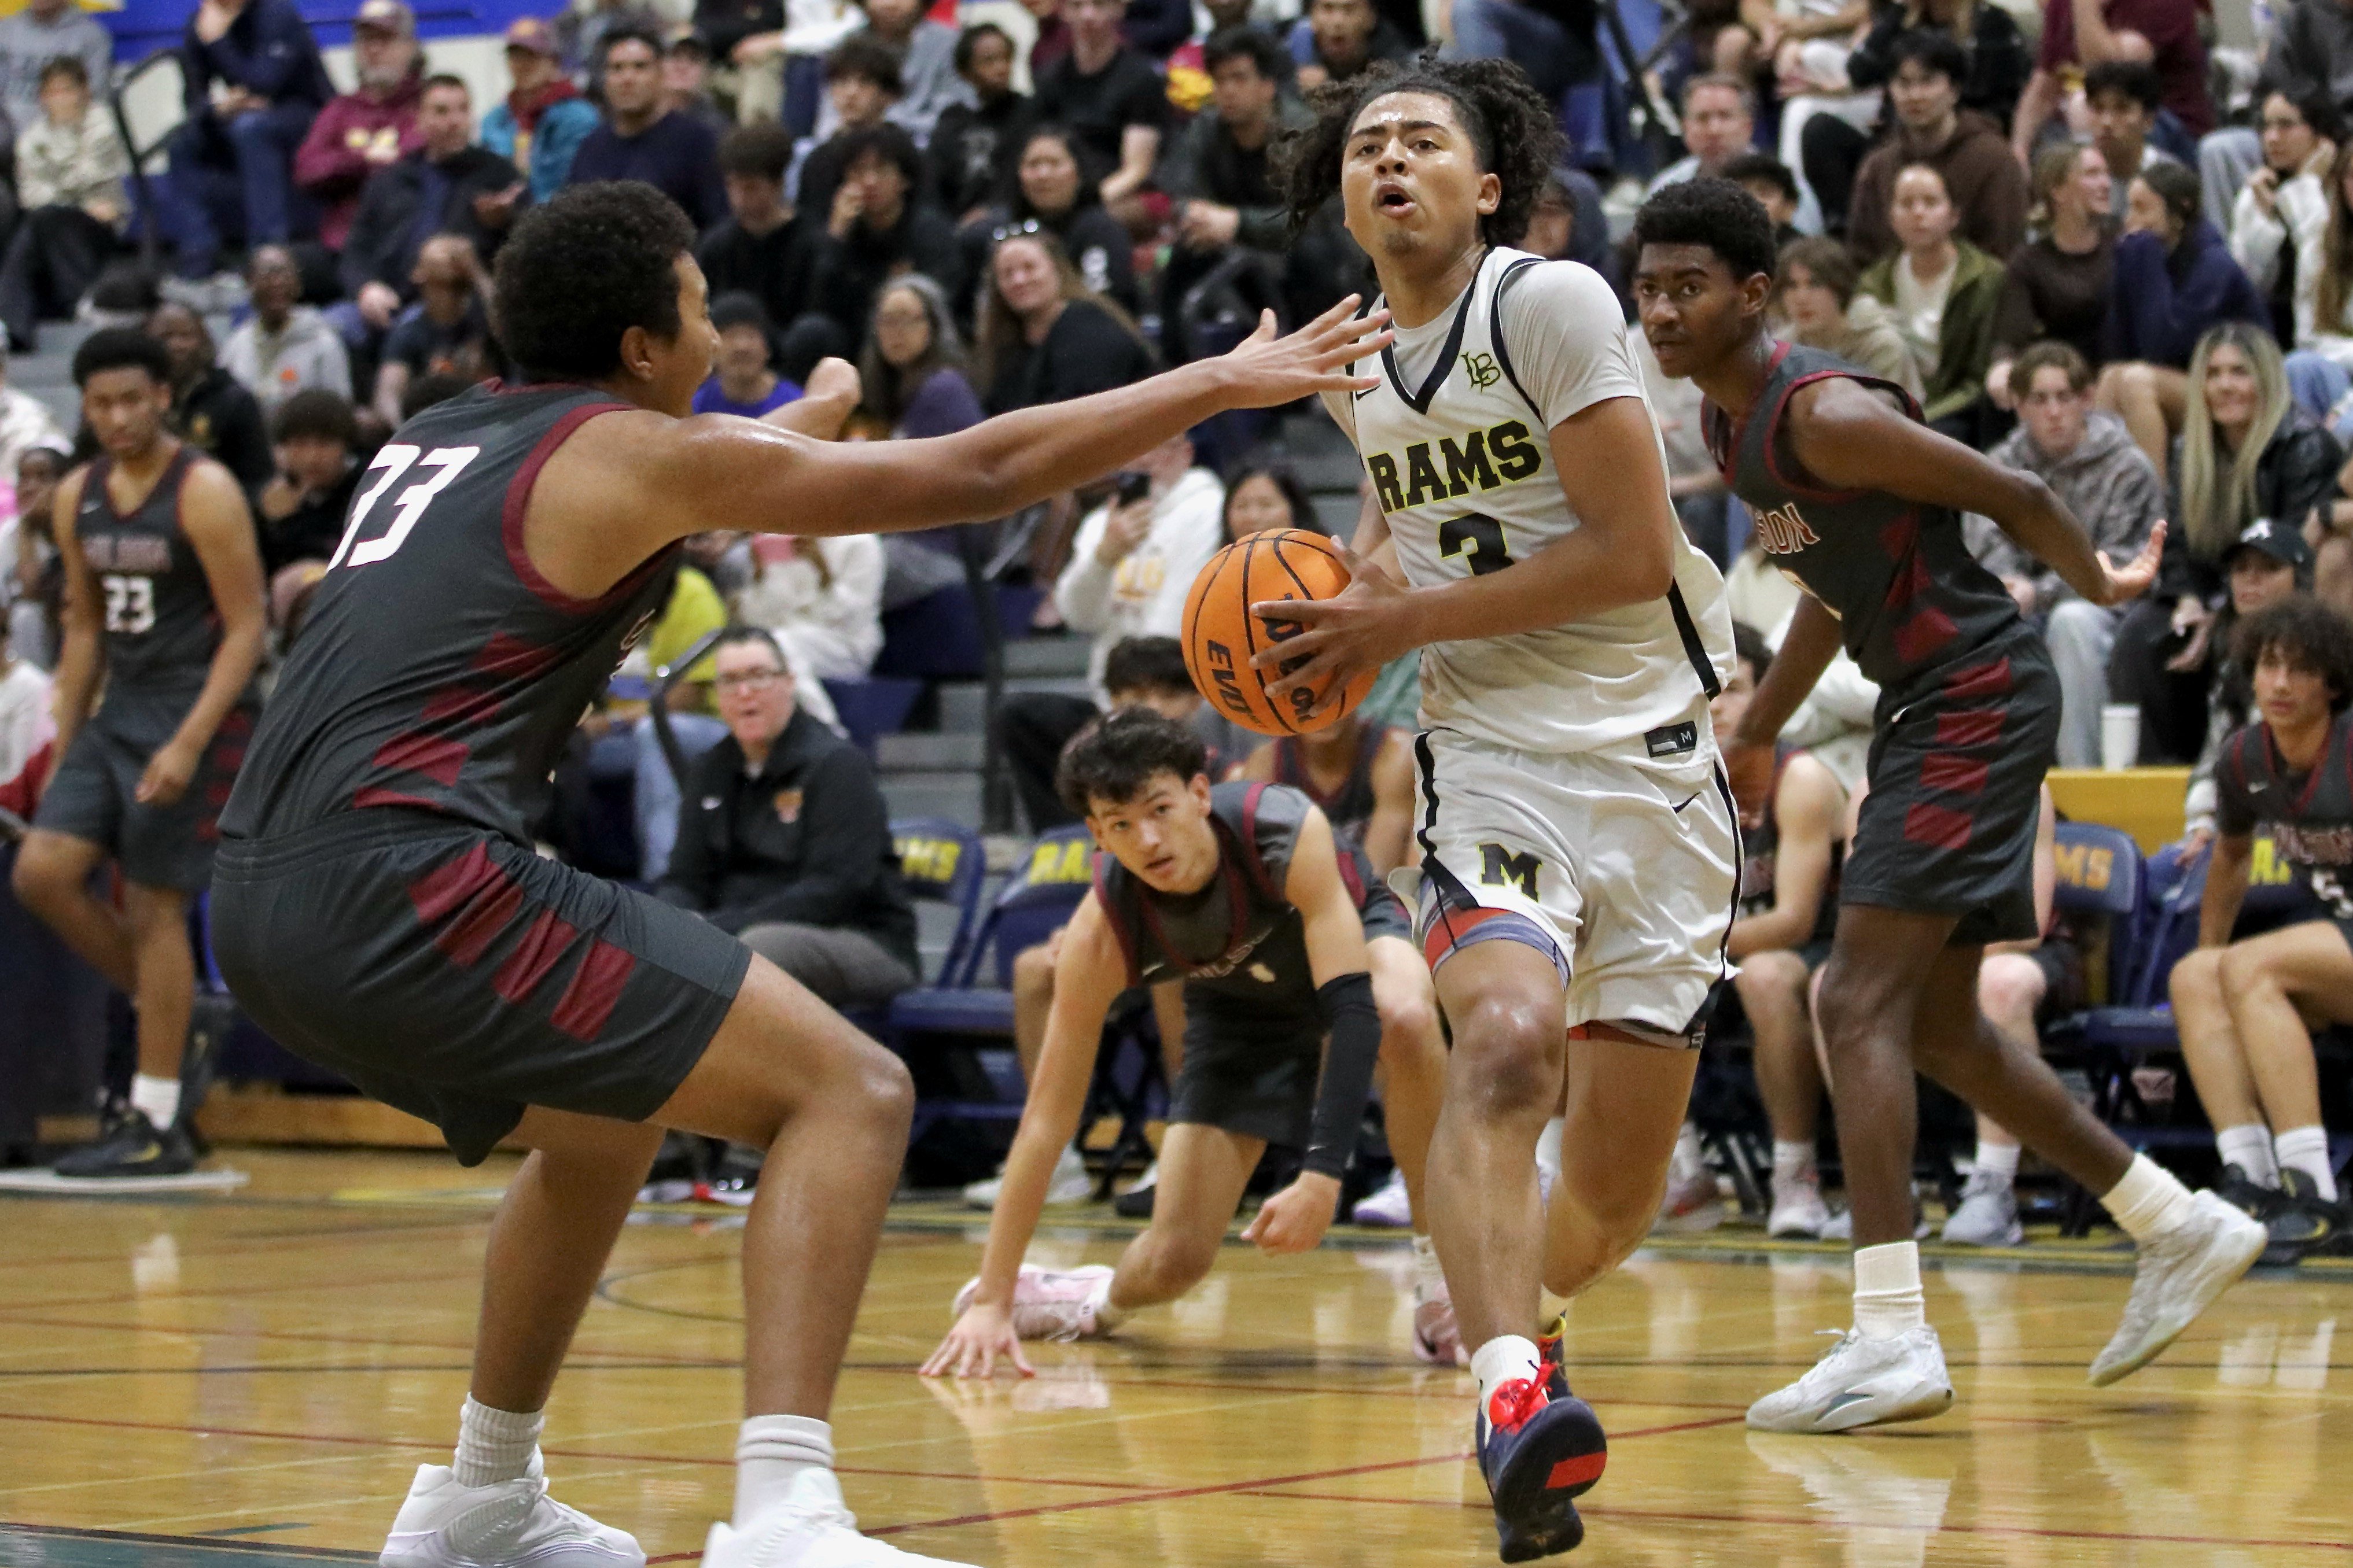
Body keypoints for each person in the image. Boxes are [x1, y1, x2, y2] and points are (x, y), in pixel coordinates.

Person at [203, 169, 1383, 1567]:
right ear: (646, 348)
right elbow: (981, 471)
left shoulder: (446, 436)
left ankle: (481, 1495)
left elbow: (626, 509)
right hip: (406, 874)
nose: (716, 327)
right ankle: (785, 1512)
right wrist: (1219, 378)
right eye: (700, 304)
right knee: (852, 1088)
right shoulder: (633, 454)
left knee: (603, 1120)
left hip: (264, 892)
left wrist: (786, 433)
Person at [1633, 175, 2264, 1434]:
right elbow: (1826, 590)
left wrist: (2108, 576)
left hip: (1970, 690)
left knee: (1845, 994)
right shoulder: (1727, 425)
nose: (1657, 311)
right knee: (1934, 1027)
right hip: (1933, 695)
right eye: (1644, 287)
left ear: (1751, 295)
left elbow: (2014, 495)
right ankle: (2173, 1220)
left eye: (1684, 287)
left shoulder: (1820, 411)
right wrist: (1753, 727)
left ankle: (1888, 1334)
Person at [1267, 56, 1740, 1559]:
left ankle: (1520, 1303)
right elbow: (1396, 531)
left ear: (1488, 188)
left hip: (1658, 764)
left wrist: (1391, 628)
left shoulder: (1549, 302)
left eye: (1422, 142)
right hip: (1494, 756)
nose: (1388, 161)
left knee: (1609, 1201)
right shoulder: (1341, 360)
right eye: (1365, 147)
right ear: (1341, 193)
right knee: (1509, 1040)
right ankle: (1507, 1391)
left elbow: (1625, 551)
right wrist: (1344, 604)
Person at [919, 709, 1461, 1370]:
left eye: (1160, 809)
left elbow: (1350, 1008)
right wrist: (991, 1299)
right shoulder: (1099, 934)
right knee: (1173, 1260)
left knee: (1401, 1013)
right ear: (1097, 835)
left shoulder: (1282, 828)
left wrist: (1321, 1175)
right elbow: (1045, 1122)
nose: (1147, 839)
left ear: (1199, 795)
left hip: (1351, 951)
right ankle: (1088, 1299)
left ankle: (1441, 1280)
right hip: (1238, 1011)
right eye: (1120, 825)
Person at [9, 329, 265, 1179]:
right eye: (100, 404)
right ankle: (180, 1016)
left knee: (157, 906)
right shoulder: (77, 492)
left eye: (131, 399)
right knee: (41, 871)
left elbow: (248, 629)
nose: (117, 417)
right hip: (118, 710)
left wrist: (191, 742)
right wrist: (70, 735)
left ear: (163, 398)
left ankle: (155, 1116)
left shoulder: (208, 490)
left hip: (196, 708)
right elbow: (83, 625)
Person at [2171, 597, 2353, 1264]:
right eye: (2268, 666)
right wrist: (2208, 960)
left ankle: (2314, 1193)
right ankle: (2247, 1183)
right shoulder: (2242, 756)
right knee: (2196, 974)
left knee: (2251, 966)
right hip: (2338, 950)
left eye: (2298, 670)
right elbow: (2228, 858)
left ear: (2331, 682)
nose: (2277, 684)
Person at [2109, 322, 2342, 762]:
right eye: (2213, 374)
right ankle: (2154, 774)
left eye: (2239, 372)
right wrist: (2188, 599)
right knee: (2142, 635)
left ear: (2265, 381)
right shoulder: (2187, 451)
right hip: (2216, 592)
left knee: (2236, 636)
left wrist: (2221, 610)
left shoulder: (2304, 445)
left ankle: (2234, 773)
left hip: (2278, 598)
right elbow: (2176, 542)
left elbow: (2296, 554)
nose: (2224, 386)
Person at [658, 626, 916, 1006]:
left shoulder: (836, 765)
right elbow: (684, 876)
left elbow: (836, 890)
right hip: (735, 931)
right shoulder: (709, 770)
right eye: (729, 681)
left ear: (788, 683)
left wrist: (719, 928)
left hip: (859, 936)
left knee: (759, 951)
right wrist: (669, 923)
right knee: (643, 942)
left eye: (758, 676)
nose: (744, 692)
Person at [995, 428, 1222, 829]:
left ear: (1185, 453)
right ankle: (1066, 842)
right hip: (1112, 697)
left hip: (1175, 693)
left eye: (1157, 446)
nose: (1143, 460)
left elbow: (1172, 624)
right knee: (1020, 717)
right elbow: (1076, 613)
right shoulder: (1102, 522)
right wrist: (1104, 555)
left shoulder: (1206, 507)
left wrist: (1134, 701)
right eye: (1132, 448)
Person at [1967, 341, 2165, 766]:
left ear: (2086, 399)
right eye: (2039, 400)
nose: (2053, 411)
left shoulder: (2126, 466)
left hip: (2112, 606)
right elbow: (1983, 538)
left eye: (2064, 397)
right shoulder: (1997, 466)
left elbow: (2118, 560)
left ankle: (2081, 779)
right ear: (2018, 406)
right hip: (2019, 602)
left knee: (2070, 624)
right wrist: (2009, 585)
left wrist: (2038, 593)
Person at [1714, 623, 1847, 1239]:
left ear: (1769, 696)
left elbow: (1793, 920)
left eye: (1733, 688)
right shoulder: (1675, 775)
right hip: (1720, 948)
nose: (1715, 702)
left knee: (1765, 975)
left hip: (1818, 948)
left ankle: (1794, 1173)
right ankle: (1677, 1164)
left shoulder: (1800, 780)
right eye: (1704, 687)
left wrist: (1678, 944)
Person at [2097, 163, 2269, 473]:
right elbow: (2120, 345)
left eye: (2142, 208)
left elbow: (2162, 344)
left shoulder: (2214, 262)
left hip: (2245, 385)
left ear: (2182, 208)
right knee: (2112, 375)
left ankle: (2152, 509)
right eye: (2129, 209)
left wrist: (2144, 254)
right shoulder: (2150, 256)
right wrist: (2129, 266)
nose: (2130, 222)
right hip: (2190, 383)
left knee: (2137, 381)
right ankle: (2102, 501)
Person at [338, 76, 528, 327]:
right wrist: (366, 289)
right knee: (329, 329)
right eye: (441, 111)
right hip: (384, 296)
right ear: (419, 119)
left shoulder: (498, 175)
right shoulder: (391, 179)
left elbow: (526, 242)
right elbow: (356, 249)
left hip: (456, 305)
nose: (454, 121)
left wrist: (505, 220)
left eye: (463, 110)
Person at [167, 0, 335, 282]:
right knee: (183, 143)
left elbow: (265, 81)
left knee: (251, 129)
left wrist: (219, 41)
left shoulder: (278, 14)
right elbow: (193, 100)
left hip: (308, 119)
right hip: (246, 117)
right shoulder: (202, 22)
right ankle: (197, 262)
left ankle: (267, 259)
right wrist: (217, 109)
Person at [2182, 519, 2317, 842]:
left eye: (2270, 568)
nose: (2251, 578)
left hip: (2310, 840)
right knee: (2157, 872)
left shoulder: (2324, 666)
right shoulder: (2232, 669)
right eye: (2241, 568)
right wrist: (2201, 824)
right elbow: (2212, 764)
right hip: (2237, 835)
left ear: (2301, 581)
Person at [1844, 29, 2028, 265]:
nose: (1914, 96)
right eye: (1903, 84)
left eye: (1927, 82)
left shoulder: (1995, 160)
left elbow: (2004, 253)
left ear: (1954, 90)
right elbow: (1862, 256)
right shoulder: (1878, 166)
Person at [1856, 162, 2004, 437]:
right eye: (1907, 204)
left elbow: (1978, 378)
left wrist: (1923, 420)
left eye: (1930, 202)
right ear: (1891, 217)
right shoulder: (1873, 283)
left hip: (1958, 411)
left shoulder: (1986, 278)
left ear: (1954, 215)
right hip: (1890, 408)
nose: (1918, 213)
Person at [0, 57, 126, 353]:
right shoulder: (32, 137)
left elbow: (91, 173)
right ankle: (75, 302)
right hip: (59, 226)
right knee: (43, 219)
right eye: (53, 92)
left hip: (101, 228)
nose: (62, 99)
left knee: (41, 223)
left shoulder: (102, 123)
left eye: (68, 90)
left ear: (85, 91)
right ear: (42, 98)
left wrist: (56, 180)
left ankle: (11, 325)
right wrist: (72, 198)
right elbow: (32, 195)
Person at [805, 124, 960, 353]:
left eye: (881, 170)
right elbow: (818, 305)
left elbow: (943, 301)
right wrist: (836, 238)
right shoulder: (839, 235)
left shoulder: (929, 231)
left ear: (904, 180)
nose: (869, 181)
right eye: (858, 171)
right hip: (858, 340)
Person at [2012, 0, 2211, 174]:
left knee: (2085, 108)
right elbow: (2043, 91)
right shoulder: (2062, 4)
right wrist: (2019, 151)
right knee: (2044, 153)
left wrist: (2084, 6)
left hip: (2162, 127)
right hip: (2079, 125)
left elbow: (2107, 74)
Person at [1986, 141, 2115, 401]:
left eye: (2106, 174)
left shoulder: (2125, 246)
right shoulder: (2030, 261)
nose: (2106, 184)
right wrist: (2002, 368)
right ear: (2057, 190)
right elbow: (2010, 338)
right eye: (2092, 175)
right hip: (2060, 378)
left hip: (2115, 375)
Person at [292, 0, 424, 253]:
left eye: (385, 39)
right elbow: (307, 169)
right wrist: (365, 160)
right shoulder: (340, 109)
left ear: (410, 47)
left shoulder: (425, 106)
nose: (373, 49)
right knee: (274, 264)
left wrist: (344, 169)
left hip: (402, 248)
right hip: (339, 245)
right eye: (365, 40)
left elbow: (409, 163)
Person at [974, 228, 1155, 414]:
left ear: (1056, 269)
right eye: (1007, 274)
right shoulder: (1008, 351)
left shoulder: (1089, 329)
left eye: (1029, 268)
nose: (1019, 280)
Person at [967, 125, 1138, 314]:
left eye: (1054, 164)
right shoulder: (1000, 233)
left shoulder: (1102, 231)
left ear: (1078, 172)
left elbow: (1107, 304)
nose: (1043, 175)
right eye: (1033, 165)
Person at [569, 29, 728, 231]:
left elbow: (718, 225)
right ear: (605, 81)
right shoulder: (591, 147)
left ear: (662, 74)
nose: (627, 78)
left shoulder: (697, 142)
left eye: (640, 67)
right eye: (617, 69)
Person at [2229, 87, 2342, 352]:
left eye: (2286, 125)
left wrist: (2307, 186)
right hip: (2271, 335)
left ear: (2321, 136)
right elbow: (2249, 284)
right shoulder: (2257, 190)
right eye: (2266, 126)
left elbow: (2321, 270)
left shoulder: (2342, 191)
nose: (2272, 138)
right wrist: (2267, 220)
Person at [698, 122, 820, 360]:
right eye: (732, 187)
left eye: (751, 188)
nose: (739, 198)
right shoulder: (715, 246)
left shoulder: (812, 244)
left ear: (778, 185)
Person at [1030, 0, 1168, 208]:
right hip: (1061, 193)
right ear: (1065, 12)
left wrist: (1085, 204)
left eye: (1099, 4)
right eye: (1077, 5)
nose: (1087, 15)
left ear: (1119, 9)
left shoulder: (1142, 79)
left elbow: (1136, 170)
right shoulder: (1049, 78)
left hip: (1116, 197)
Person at [373, 234, 501, 427]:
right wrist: (407, 434)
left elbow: (508, 319)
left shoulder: (487, 323)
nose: (447, 296)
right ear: (420, 280)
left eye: (457, 287)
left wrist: (476, 271)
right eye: (438, 285)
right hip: (432, 429)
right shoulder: (409, 334)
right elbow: (387, 398)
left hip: (489, 423)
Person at [1774, 235, 1923, 396]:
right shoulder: (1780, 350)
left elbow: (1895, 414)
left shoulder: (1881, 345)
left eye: (1815, 285)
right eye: (1791, 287)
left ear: (1839, 288)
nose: (1801, 298)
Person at [152, 301, 273, 491]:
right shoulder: (136, 402)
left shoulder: (237, 402)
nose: (176, 345)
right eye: (166, 336)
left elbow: (258, 484)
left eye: (186, 336)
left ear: (205, 341)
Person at [481, 18, 602, 204]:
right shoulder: (495, 120)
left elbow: (576, 185)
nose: (522, 64)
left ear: (553, 61)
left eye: (532, 56)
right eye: (515, 56)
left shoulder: (578, 117)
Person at [219, 244, 351, 415]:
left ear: (298, 285)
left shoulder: (323, 342)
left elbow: (340, 413)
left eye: (284, 274)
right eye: (267, 275)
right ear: (250, 283)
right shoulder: (237, 343)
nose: (276, 282)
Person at [928, 23, 1038, 223]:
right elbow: (935, 180)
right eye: (989, 61)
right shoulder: (952, 119)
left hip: (1005, 215)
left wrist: (991, 209)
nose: (1001, 68)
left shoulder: (1026, 112)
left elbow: (1016, 175)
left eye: (1006, 58)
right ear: (965, 72)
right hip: (955, 217)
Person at [253, 388, 362, 584]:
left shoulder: (363, 491)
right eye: (301, 444)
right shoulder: (273, 498)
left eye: (324, 444)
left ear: (346, 445)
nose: (313, 457)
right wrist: (274, 522)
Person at [793, 35, 903, 224]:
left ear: (888, 95)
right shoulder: (818, 162)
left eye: (865, 83)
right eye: (842, 83)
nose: (851, 93)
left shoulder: (905, 154)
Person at [857, 275, 982, 438]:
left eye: (907, 319)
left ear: (934, 327)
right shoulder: (890, 391)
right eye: (888, 320)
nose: (897, 331)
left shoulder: (944, 390)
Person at [849, 0, 971, 144]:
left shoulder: (952, 44)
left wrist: (885, 120)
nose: (890, 4)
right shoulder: (848, 45)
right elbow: (829, 123)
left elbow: (959, 114)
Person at [2083, 58, 2179, 222]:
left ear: (2148, 120)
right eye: (2098, 108)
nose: (2107, 122)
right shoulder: (2073, 176)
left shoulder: (2171, 180)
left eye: (2122, 109)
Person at [0, 0, 113, 134]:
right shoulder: (5, 31)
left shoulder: (91, 37)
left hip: (65, 133)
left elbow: (96, 98)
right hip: (6, 133)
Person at [695, 293, 804, 417]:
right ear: (713, 349)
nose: (742, 346)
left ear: (767, 348)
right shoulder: (696, 407)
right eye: (730, 336)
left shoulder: (796, 406)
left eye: (750, 335)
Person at [1293, 0, 1413, 92]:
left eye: (1349, 9)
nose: (1338, 22)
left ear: (1371, 18)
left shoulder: (1396, 66)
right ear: (1311, 16)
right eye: (1328, 9)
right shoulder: (1289, 57)